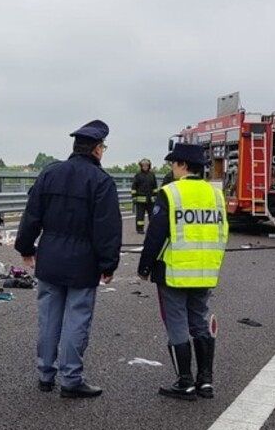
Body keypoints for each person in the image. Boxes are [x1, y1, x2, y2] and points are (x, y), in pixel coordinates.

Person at [15, 120, 122, 398]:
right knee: (77, 319)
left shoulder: (50, 174)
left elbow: (31, 215)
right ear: (97, 149)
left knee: (49, 317)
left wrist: (25, 248)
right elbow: (107, 228)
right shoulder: (102, 182)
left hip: (50, 257)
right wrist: (107, 264)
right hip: (82, 263)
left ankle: (45, 375)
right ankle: (71, 379)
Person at [138, 143, 229, 400]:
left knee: (177, 324)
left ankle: (185, 381)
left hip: (175, 271)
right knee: (199, 322)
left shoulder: (171, 192)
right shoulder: (215, 195)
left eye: (174, 164)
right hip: (205, 271)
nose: (172, 168)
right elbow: (223, 232)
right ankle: (206, 381)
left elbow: (156, 235)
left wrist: (145, 266)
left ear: (183, 165)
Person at [131, 158, 158, 234]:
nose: (145, 167)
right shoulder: (138, 175)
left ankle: (153, 229)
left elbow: (155, 187)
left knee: (152, 216)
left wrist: (156, 195)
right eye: (143, 165)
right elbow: (134, 187)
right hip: (140, 200)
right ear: (141, 166)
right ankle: (140, 229)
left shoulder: (152, 175)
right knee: (140, 217)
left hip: (151, 200)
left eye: (146, 165)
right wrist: (134, 196)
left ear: (149, 166)